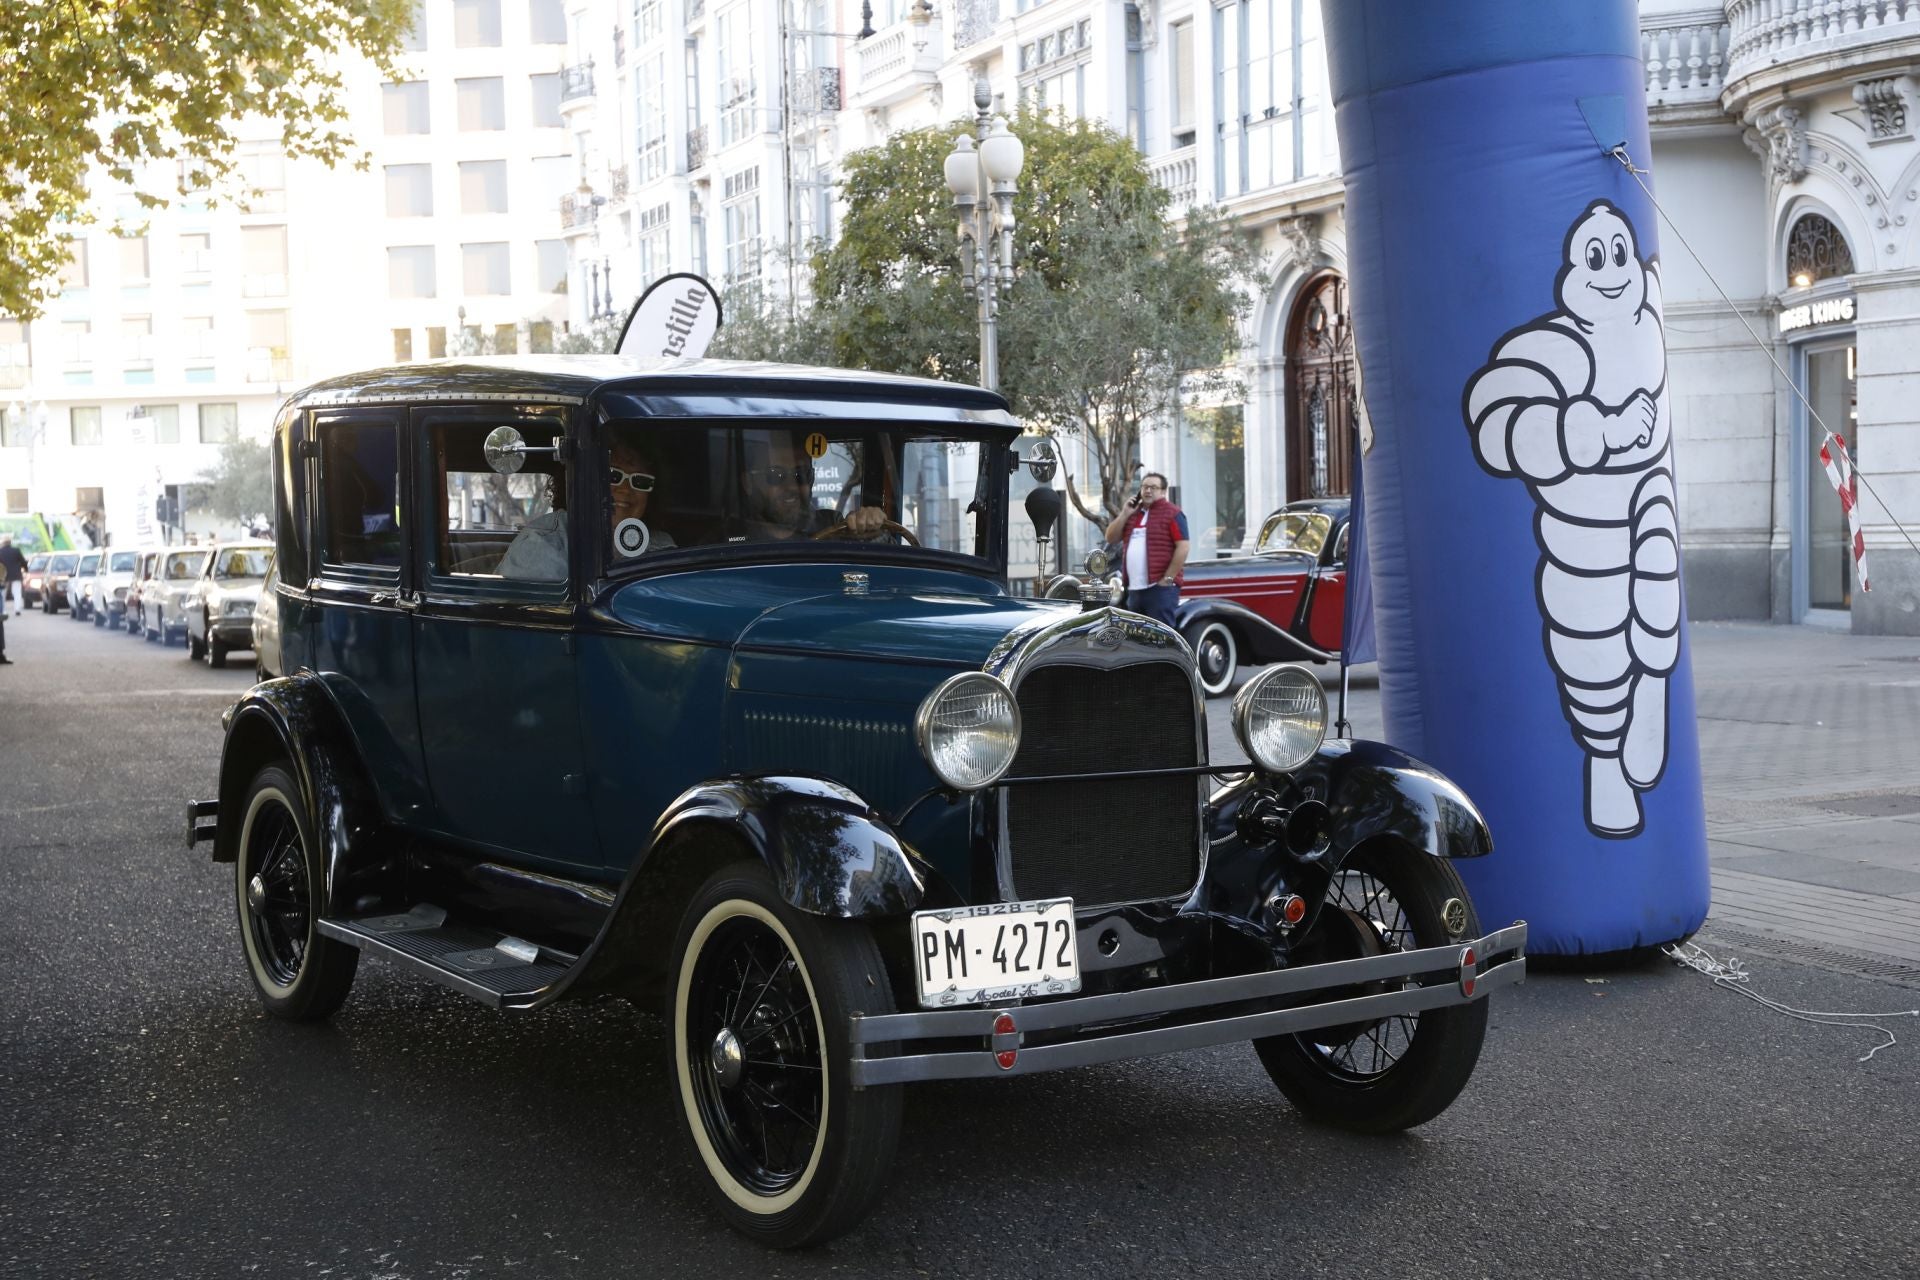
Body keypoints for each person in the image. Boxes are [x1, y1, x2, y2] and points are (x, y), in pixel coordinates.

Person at [498, 436, 675, 580]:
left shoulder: (660, 544)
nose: (626, 489)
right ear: (584, 480)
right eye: (613, 476)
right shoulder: (545, 543)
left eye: (640, 481)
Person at [738, 430, 886, 541]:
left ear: (812, 478)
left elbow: (883, 565)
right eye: (776, 475)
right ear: (749, 483)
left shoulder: (834, 527)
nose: (792, 487)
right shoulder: (733, 538)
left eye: (801, 474)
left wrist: (870, 529)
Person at [1103, 472, 1190, 627]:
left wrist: (1168, 579)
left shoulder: (1173, 513)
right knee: (1137, 637)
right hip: (1135, 589)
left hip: (1160, 588)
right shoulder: (1132, 513)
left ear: (1163, 491)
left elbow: (1183, 547)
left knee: (1162, 635)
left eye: (1153, 487)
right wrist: (1124, 514)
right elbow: (1111, 537)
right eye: (1145, 487)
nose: (1148, 491)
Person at [0, 534, 25, 617]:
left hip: (3, 575)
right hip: (16, 574)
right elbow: (23, 561)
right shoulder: (16, 550)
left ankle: (2, 610)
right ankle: (17, 609)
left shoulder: (0, 551)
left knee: (2, 593)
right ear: (10, 542)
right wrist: (26, 569)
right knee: (17, 592)